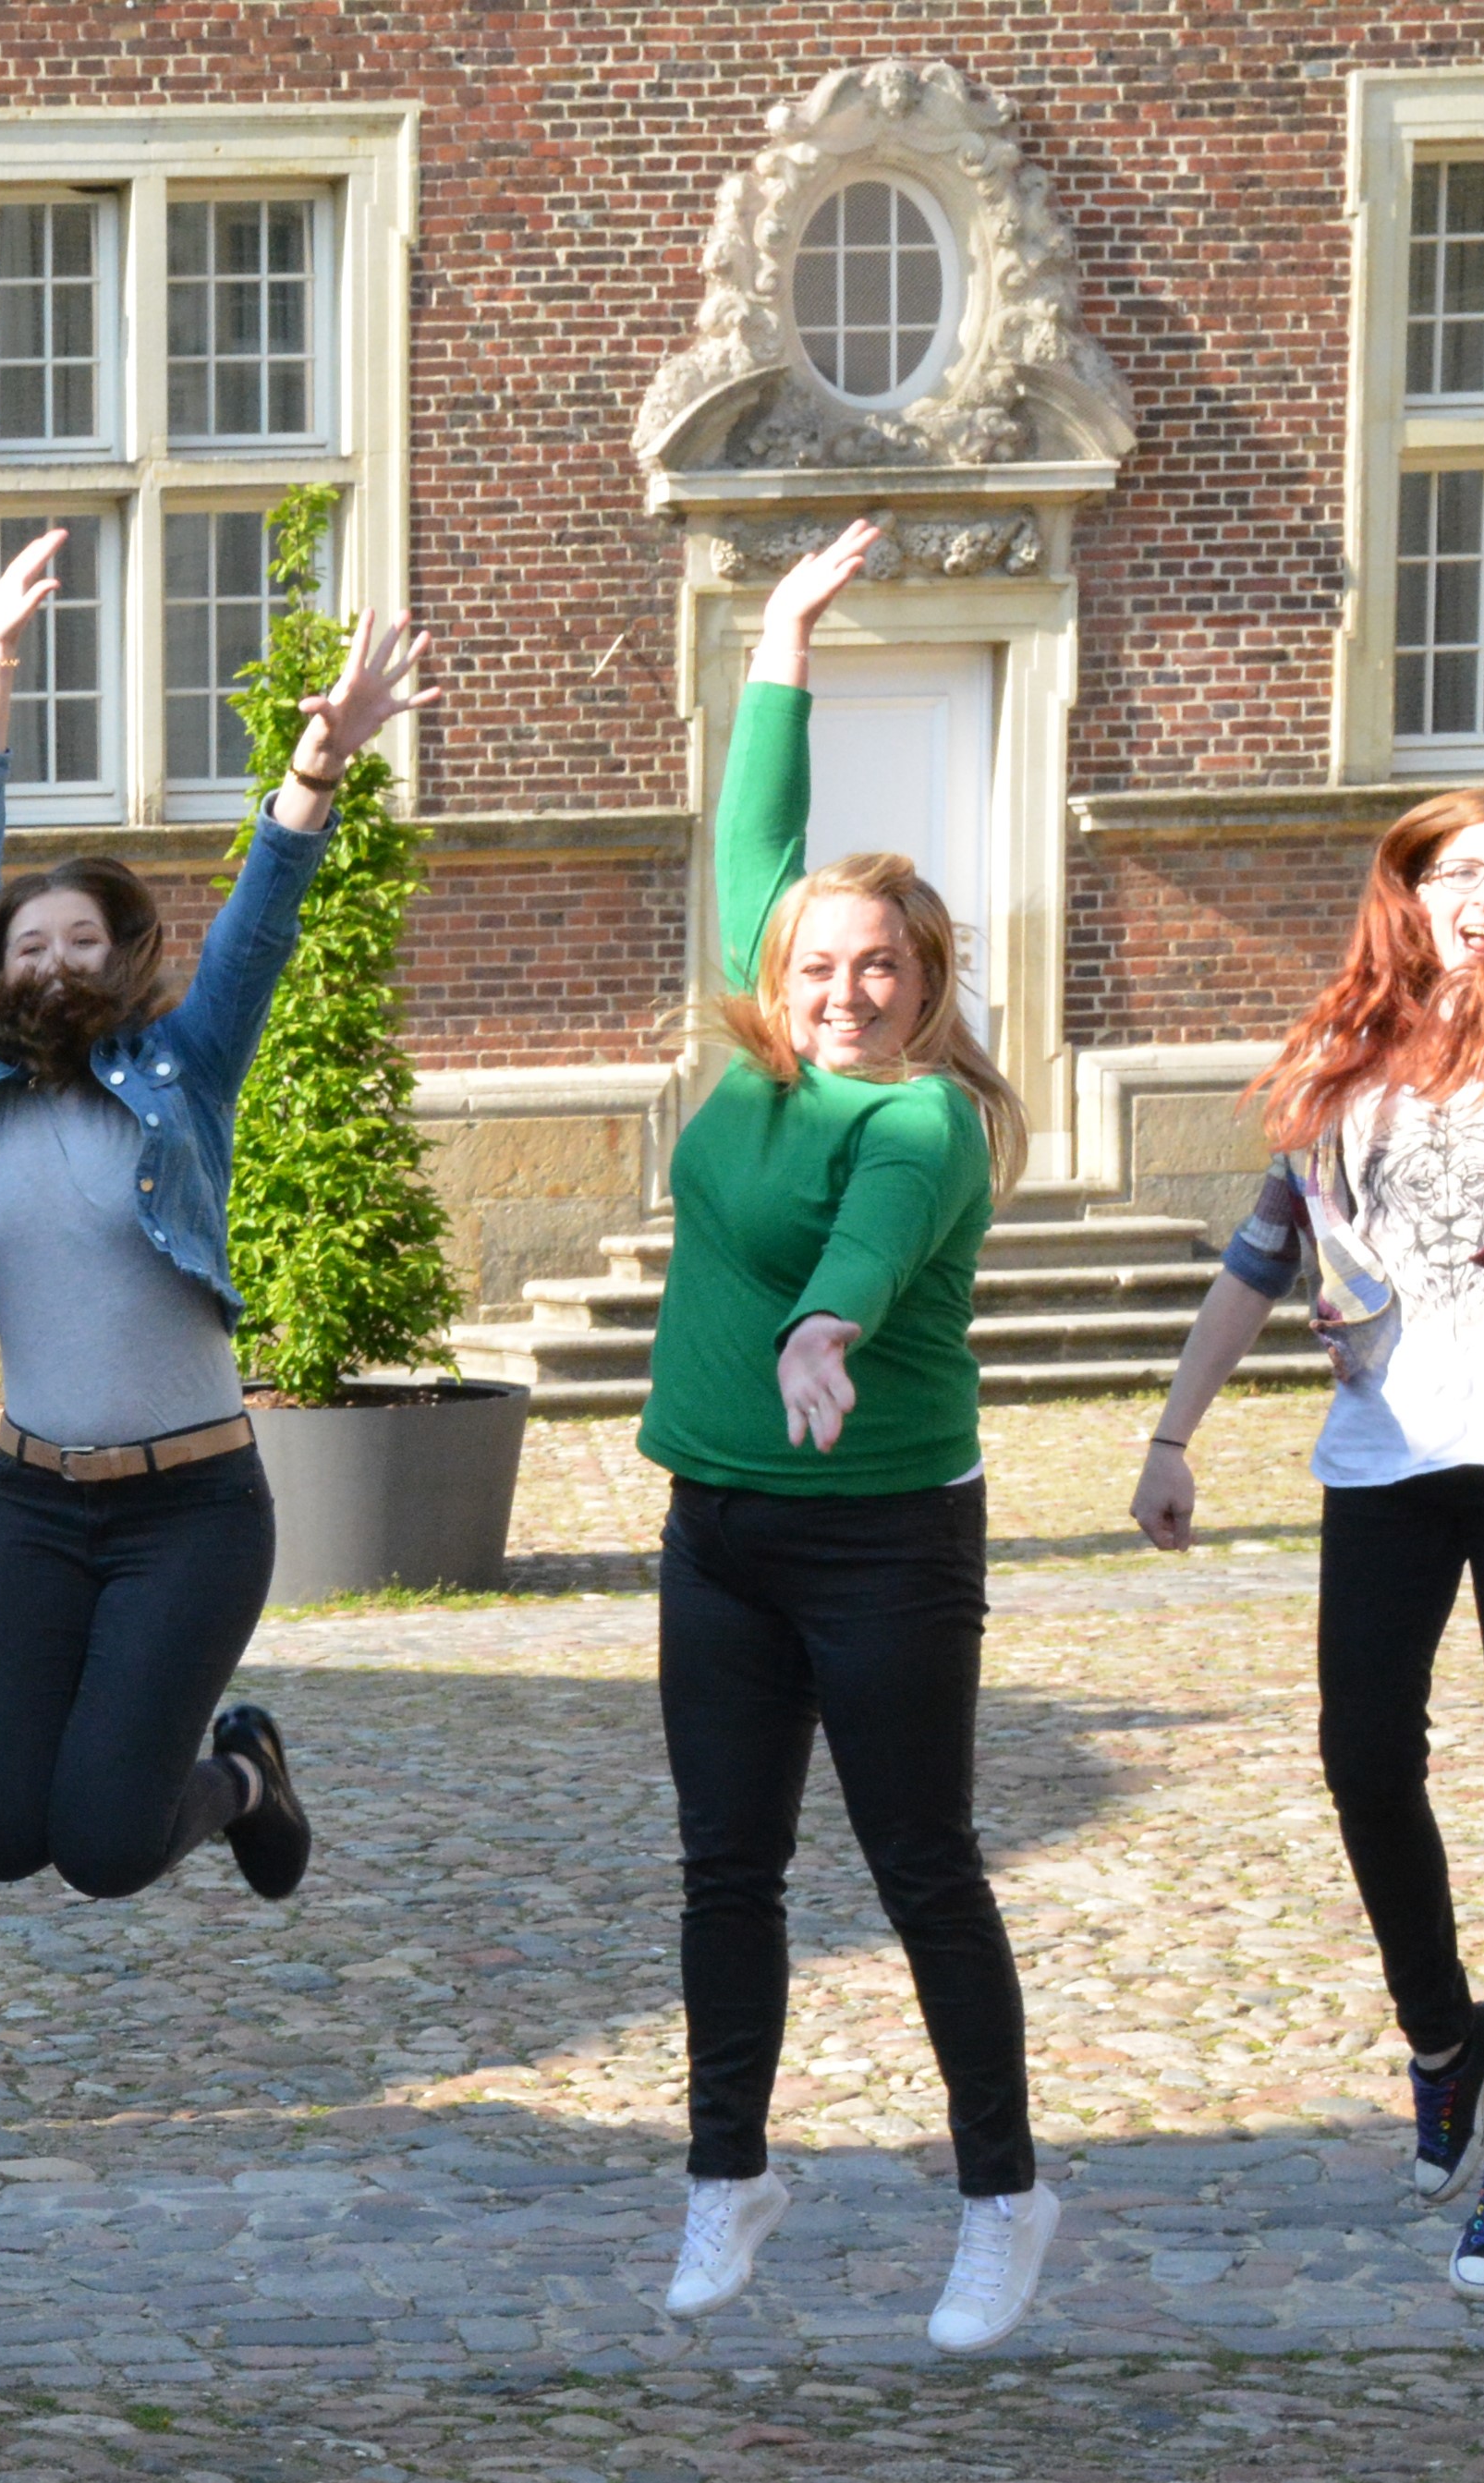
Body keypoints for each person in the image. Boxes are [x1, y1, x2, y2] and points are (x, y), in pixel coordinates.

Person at [1131, 789, 1484, 2296]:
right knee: (1363, 1751)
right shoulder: (1342, 1046)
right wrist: (1174, 1433)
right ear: (1413, 885)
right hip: (1385, 1454)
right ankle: (1447, 2034)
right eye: (1460, 867)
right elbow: (1267, 1245)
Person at [0, 526, 440, 1907]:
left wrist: (322, 762)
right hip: (29, 1503)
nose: (51, 957)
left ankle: (245, 1776)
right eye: (26, 943)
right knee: (0, 1833)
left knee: (113, 1847)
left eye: (81, 940)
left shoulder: (188, 1068)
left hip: (192, 1510)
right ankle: (202, 1774)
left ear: (120, 962)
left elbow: (263, 912)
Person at [639, 517, 1050, 2353]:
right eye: (821, 964)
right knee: (727, 1862)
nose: (845, 987)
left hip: (885, 1537)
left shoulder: (927, 1120)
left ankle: (1001, 2190)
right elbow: (756, 838)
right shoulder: (756, 1064)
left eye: (881, 965)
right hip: (717, 1524)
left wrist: (826, 1324)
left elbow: (874, 1241)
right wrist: (787, 632)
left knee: (922, 1866)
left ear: (926, 976)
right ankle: (730, 2170)